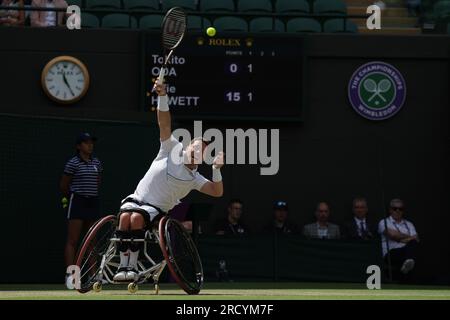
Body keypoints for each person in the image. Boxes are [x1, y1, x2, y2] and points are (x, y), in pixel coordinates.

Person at [113, 79, 224, 282]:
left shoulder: (194, 178)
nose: (197, 152)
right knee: (124, 218)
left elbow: (217, 192)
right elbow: (164, 122)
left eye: (202, 152)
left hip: (155, 211)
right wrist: (162, 96)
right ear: (187, 147)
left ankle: (131, 268)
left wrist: (216, 170)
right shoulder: (171, 149)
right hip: (136, 198)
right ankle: (124, 266)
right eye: (195, 147)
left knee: (135, 219)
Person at [61, 133, 103, 277]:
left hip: (93, 202)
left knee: (92, 241)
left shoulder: (97, 162)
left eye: (91, 142)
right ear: (78, 146)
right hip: (78, 202)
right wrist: (73, 197)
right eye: (86, 143)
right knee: (72, 240)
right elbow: (64, 185)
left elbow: (98, 182)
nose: (90, 145)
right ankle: (71, 276)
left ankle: (93, 276)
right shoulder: (72, 163)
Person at [378, 198, 419, 281]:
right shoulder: (384, 222)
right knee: (410, 248)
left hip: (406, 251)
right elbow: (393, 235)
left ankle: (408, 262)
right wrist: (408, 237)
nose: (397, 211)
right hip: (391, 253)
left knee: (413, 244)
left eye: (400, 209)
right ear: (390, 210)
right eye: (395, 209)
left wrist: (402, 239)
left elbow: (416, 239)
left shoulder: (409, 224)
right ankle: (408, 262)